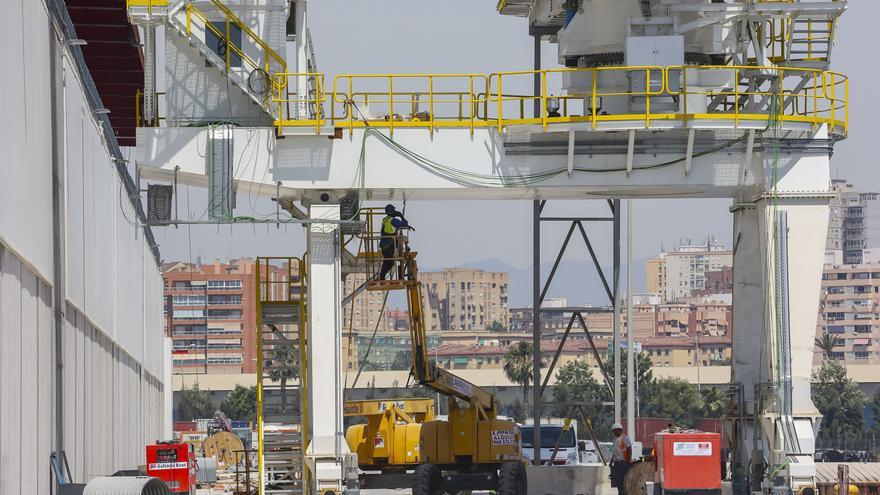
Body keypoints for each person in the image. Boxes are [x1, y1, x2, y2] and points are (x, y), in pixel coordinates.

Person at [379, 204, 409, 280]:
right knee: (388, 261)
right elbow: (405, 223)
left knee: (389, 261)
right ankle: (381, 277)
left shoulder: (385, 219)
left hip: (383, 244)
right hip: (389, 244)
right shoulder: (393, 220)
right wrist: (401, 216)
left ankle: (382, 276)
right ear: (393, 211)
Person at [610, 422, 633, 495]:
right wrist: (611, 461)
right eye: (613, 430)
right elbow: (614, 452)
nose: (613, 432)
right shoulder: (615, 439)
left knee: (623, 481)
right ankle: (620, 493)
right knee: (618, 481)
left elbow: (629, 450)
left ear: (619, 430)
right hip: (617, 463)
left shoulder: (625, 438)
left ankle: (623, 493)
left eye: (614, 430)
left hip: (623, 462)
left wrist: (628, 461)